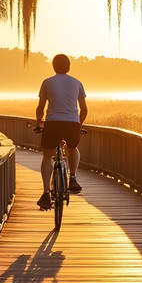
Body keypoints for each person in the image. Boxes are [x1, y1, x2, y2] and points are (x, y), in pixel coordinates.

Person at [35, 53, 87, 209]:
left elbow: (40, 108)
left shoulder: (47, 82)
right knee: (73, 148)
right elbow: (83, 109)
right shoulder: (77, 83)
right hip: (72, 123)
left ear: (53, 67)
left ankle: (45, 193)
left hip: (52, 123)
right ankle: (72, 178)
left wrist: (39, 123)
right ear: (69, 67)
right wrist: (79, 124)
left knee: (47, 156)